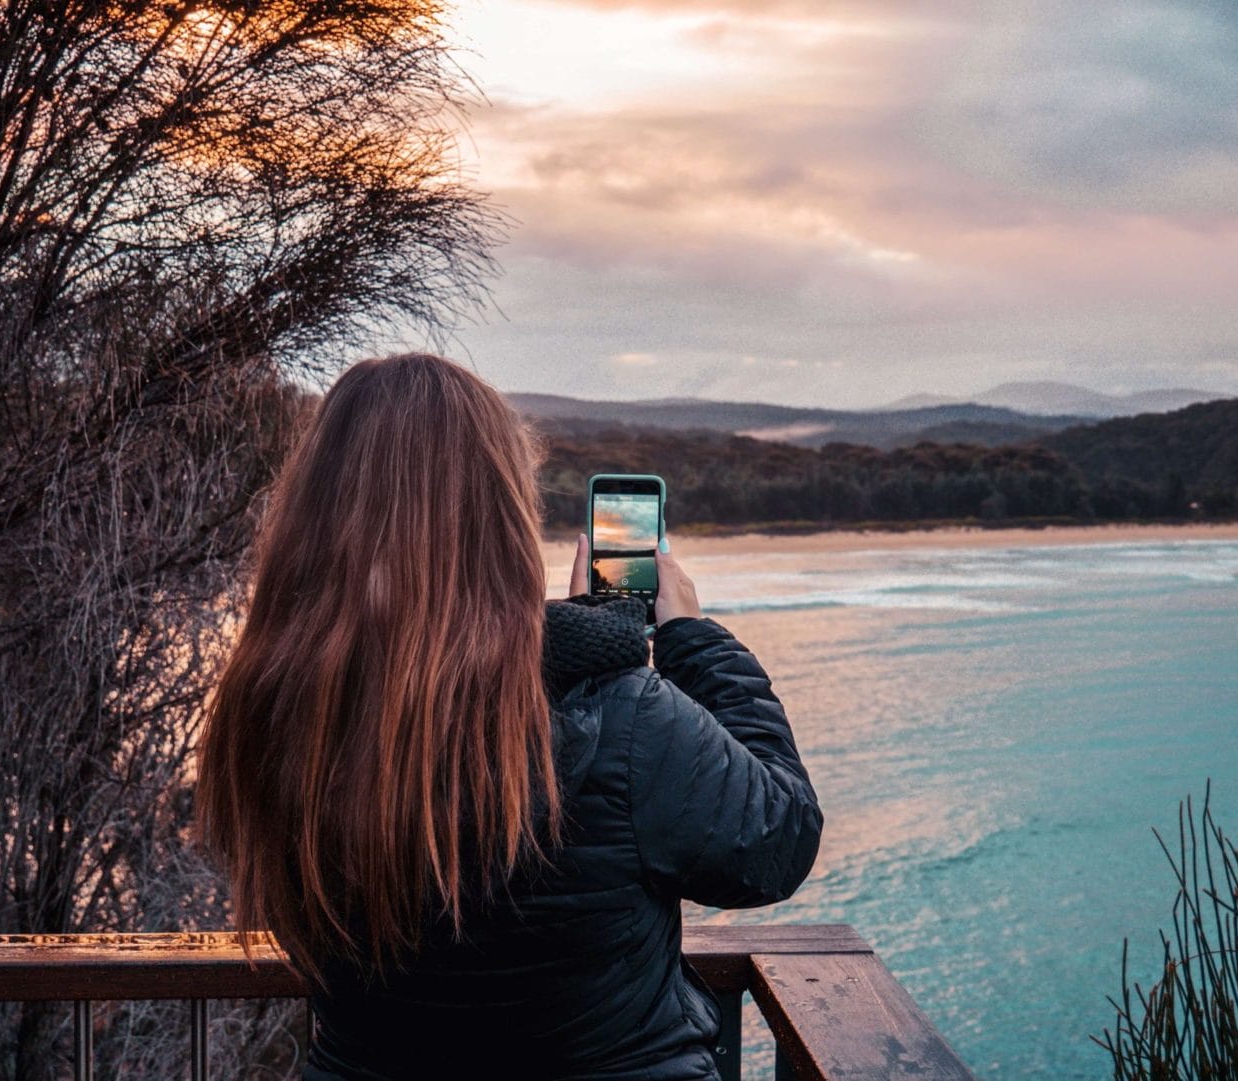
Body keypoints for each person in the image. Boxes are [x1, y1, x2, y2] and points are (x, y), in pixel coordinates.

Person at [197, 354, 823, 1080]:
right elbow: (780, 837)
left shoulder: (274, 717)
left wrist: (579, 637)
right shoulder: (617, 713)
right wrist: (690, 638)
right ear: (500, 516)